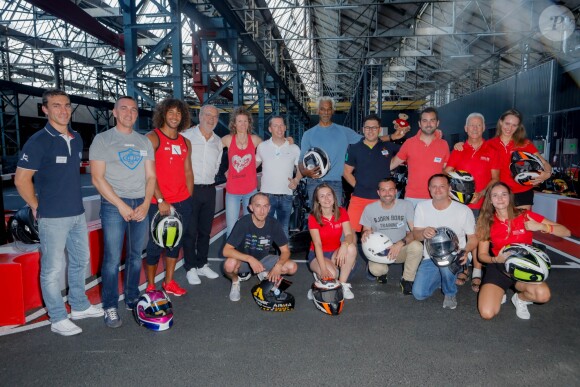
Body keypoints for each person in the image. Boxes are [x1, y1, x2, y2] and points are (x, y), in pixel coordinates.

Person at [14, 89, 104, 336]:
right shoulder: (38, 141)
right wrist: (35, 205)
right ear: (45, 109)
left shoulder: (76, 138)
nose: (63, 110)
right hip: (52, 217)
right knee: (52, 269)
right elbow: (22, 180)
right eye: (56, 106)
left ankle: (79, 305)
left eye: (66, 105)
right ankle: (57, 317)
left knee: (79, 261)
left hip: (76, 213)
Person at [89, 96, 156, 328]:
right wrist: (120, 204)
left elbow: (150, 176)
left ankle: (131, 297)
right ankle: (109, 305)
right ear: (114, 113)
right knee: (111, 259)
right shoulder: (103, 140)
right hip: (113, 205)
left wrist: (147, 203)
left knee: (136, 255)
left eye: (134, 110)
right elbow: (97, 179)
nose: (129, 113)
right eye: (124, 109)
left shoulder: (144, 142)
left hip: (140, 203)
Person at [476, 182, 570, 320]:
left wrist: (541, 226)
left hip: (524, 267)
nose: (500, 199)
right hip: (499, 267)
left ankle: (520, 299)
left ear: (510, 197)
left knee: (543, 295)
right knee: (487, 313)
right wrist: (495, 259)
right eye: (495, 195)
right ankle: (500, 291)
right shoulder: (486, 222)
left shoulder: (525, 215)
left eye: (504, 194)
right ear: (490, 199)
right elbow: (482, 255)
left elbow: (566, 232)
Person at [300, 96, 406, 206]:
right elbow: (301, 160)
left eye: (329, 109)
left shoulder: (344, 132)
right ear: (317, 110)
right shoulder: (308, 135)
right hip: (314, 182)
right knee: (316, 217)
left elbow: (369, 138)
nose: (326, 112)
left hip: (335, 182)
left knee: (336, 218)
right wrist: (304, 172)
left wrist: (392, 137)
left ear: (333, 111)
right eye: (322, 109)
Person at [444, 113, 500, 292]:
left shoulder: (492, 150)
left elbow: (495, 178)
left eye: (479, 125)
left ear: (484, 128)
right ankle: (463, 268)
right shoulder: (458, 149)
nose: (475, 129)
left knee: (479, 237)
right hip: (460, 205)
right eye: (471, 125)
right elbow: (446, 172)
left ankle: (477, 271)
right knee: (460, 236)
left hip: (482, 204)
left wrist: (481, 193)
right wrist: (457, 189)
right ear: (465, 128)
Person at [145, 98, 194, 297]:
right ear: (163, 114)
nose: (175, 117)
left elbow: (188, 171)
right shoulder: (152, 138)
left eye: (178, 113)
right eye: (171, 112)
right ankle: (150, 285)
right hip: (160, 202)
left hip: (183, 201)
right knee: (156, 244)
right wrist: (160, 199)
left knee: (175, 243)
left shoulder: (185, 141)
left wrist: (188, 197)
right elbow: (148, 173)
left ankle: (169, 282)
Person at [456, 109, 552, 209]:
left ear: (518, 127)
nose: (509, 128)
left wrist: (547, 174)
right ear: (501, 122)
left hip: (522, 193)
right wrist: (460, 145)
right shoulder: (489, 144)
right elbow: (472, 148)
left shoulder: (525, 144)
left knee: (521, 224)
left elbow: (544, 163)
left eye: (514, 125)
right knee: (502, 224)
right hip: (499, 194)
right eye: (507, 123)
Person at [412, 174, 478, 309]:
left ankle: (450, 292)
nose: (437, 190)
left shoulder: (463, 210)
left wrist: (465, 252)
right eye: (434, 187)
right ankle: (446, 278)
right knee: (419, 294)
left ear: (449, 188)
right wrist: (423, 232)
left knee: (446, 263)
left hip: (457, 255)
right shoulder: (421, 207)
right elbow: (416, 235)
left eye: (442, 186)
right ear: (429, 189)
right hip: (430, 257)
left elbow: (473, 238)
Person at [222, 193, 297, 302]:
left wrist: (278, 266)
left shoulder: (273, 223)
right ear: (251, 208)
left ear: (269, 208)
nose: (262, 211)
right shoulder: (243, 223)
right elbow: (226, 250)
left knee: (292, 267)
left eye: (265, 206)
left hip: (263, 259)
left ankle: (264, 273)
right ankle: (235, 282)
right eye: (258, 206)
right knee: (229, 265)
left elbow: (285, 251)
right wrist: (250, 259)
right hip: (244, 261)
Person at [181, 104, 222, 285]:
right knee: (190, 231)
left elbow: (217, 165)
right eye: (207, 115)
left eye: (214, 116)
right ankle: (190, 267)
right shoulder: (186, 136)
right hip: (190, 189)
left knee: (205, 231)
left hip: (209, 189)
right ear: (200, 115)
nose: (211, 119)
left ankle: (202, 263)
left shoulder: (218, 141)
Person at [360, 178, 423, 294]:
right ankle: (382, 273)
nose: (387, 193)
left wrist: (400, 243)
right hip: (381, 250)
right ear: (378, 193)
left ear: (395, 191)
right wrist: (365, 234)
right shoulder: (370, 208)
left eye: (390, 190)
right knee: (376, 270)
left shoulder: (406, 205)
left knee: (417, 246)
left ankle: (407, 280)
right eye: (383, 190)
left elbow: (415, 232)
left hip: (400, 248)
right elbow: (365, 231)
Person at [343, 114, 400, 232]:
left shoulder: (388, 147)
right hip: (359, 198)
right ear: (363, 129)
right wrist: (358, 186)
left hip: (381, 199)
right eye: (367, 127)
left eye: (374, 128)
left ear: (379, 130)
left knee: (378, 234)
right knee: (350, 233)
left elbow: (407, 151)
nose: (370, 131)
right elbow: (346, 172)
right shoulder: (354, 148)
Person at [390, 107, 450, 207]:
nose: (428, 124)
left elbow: (446, 170)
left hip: (436, 197)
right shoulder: (409, 143)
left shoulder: (444, 144)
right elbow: (392, 164)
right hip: (412, 199)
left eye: (432, 120)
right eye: (425, 121)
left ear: (437, 123)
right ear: (419, 124)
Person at [307, 183, 358, 299]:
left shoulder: (342, 212)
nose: (326, 199)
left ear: (334, 197)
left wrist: (344, 245)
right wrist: (323, 269)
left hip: (335, 252)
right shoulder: (313, 217)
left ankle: (343, 285)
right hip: (317, 254)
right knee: (332, 274)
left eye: (329, 195)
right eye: (322, 196)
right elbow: (317, 245)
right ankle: (316, 286)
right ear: (318, 200)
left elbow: (349, 234)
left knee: (351, 247)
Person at [256, 115, 302, 238]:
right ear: (270, 129)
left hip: (286, 195)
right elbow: (253, 165)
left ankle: (283, 257)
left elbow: (300, 169)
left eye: (281, 125)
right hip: (266, 196)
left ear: (285, 127)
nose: (279, 128)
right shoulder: (262, 147)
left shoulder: (294, 148)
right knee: (264, 230)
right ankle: (263, 257)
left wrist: (296, 180)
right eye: (275, 126)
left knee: (283, 230)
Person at [222, 107, 262, 237]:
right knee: (232, 229)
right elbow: (211, 149)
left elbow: (269, 150)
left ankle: (248, 257)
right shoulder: (228, 139)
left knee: (250, 227)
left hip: (250, 191)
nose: (243, 124)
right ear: (234, 123)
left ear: (249, 123)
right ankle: (231, 257)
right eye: (240, 121)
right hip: (232, 191)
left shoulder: (255, 140)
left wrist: (253, 166)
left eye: (245, 121)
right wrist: (224, 170)